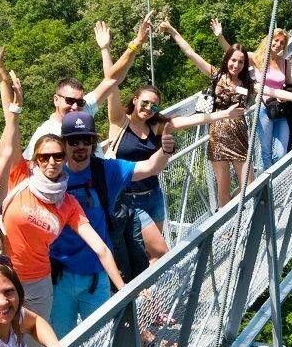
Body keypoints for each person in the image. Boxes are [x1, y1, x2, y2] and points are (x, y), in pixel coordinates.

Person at [0, 82, 124, 322]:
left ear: (64, 157)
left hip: (40, 284)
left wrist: (123, 288)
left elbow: (101, 248)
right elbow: (8, 145)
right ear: (35, 160)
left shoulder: (68, 203)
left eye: (57, 156)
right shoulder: (22, 176)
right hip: (6, 278)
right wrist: (15, 108)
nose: (51, 162)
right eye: (44, 157)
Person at [47, 109, 173, 336]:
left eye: (86, 140)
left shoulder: (105, 171)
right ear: (64, 143)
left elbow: (150, 167)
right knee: (63, 343)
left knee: (100, 345)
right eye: (74, 141)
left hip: (97, 273)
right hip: (59, 275)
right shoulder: (51, 173)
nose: (80, 146)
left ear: (94, 142)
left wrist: (164, 150)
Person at [105, 70, 246, 261]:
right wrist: (107, 48)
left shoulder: (154, 126)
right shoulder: (119, 122)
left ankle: (151, 291)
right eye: (144, 102)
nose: (148, 108)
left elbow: (189, 121)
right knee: (160, 250)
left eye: (153, 107)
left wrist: (224, 114)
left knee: (151, 254)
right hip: (129, 200)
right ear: (135, 99)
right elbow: (111, 83)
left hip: (153, 194)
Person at [166, 22, 265, 206]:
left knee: (251, 185)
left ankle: (245, 222)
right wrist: (173, 31)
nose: (236, 65)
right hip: (218, 136)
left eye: (241, 62)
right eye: (233, 60)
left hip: (240, 137)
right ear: (227, 60)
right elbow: (191, 53)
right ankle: (226, 233)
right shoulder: (216, 76)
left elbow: (272, 92)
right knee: (223, 190)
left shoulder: (248, 85)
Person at [25, 18, 150, 157]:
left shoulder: (83, 110)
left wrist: (134, 44)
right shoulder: (46, 133)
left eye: (79, 102)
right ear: (56, 99)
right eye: (69, 101)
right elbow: (26, 168)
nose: (75, 107)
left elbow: (112, 80)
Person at [252, 28, 292, 171]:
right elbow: (233, 54)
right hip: (264, 108)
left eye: (282, 43)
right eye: (276, 40)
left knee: (280, 152)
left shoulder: (284, 62)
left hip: (280, 108)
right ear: (269, 40)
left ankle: (276, 183)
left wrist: (287, 96)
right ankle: (265, 187)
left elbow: (289, 84)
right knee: (266, 152)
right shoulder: (256, 58)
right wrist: (221, 36)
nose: (278, 44)